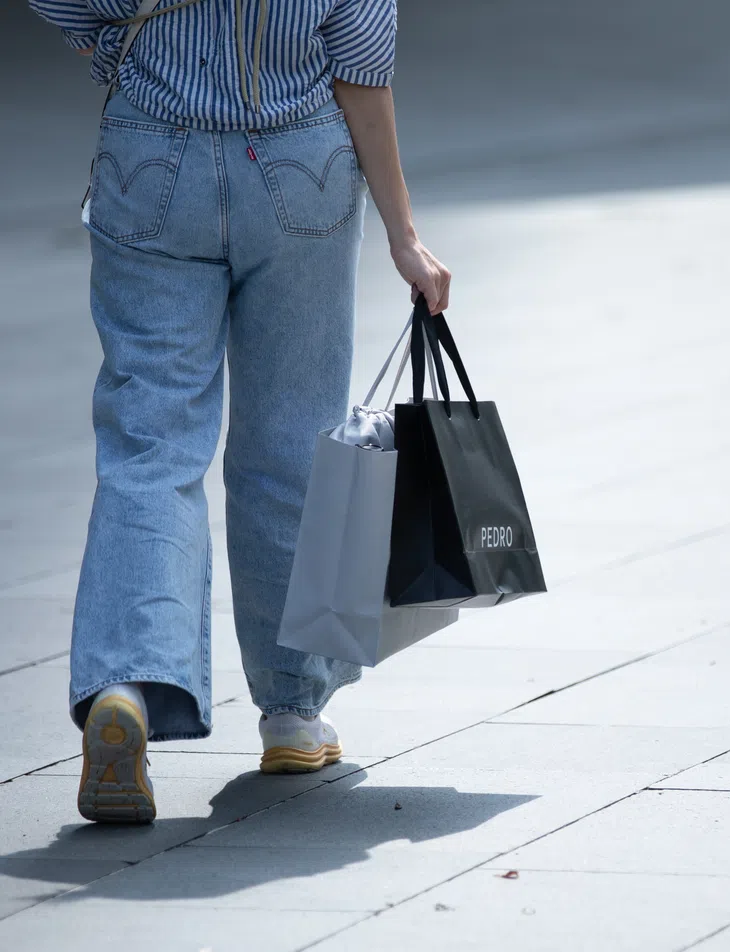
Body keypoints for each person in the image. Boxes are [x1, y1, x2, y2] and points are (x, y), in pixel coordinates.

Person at [28, 0, 450, 823]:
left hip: (149, 160)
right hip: (302, 168)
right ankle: (292, 710)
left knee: (151, 444)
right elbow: (361, 71)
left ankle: (127, 683)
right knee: (291, 442)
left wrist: (117, 49)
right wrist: (404, 232)